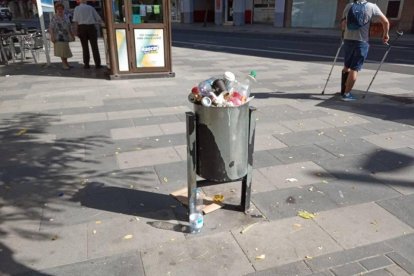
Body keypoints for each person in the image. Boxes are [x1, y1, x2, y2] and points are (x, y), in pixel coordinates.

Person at [340, 0, 389, 101]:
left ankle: (343, 90)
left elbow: (343, 22)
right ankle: (346, 94)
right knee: (355, 68)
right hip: (361, 41)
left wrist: (343, 34)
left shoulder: (349, 5)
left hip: (348, 39)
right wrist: (385, 34)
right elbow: (385, 21)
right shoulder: (372, 6)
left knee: (346, 66)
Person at [72, 0, 104, 69]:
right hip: (91, 27)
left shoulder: (77, 8)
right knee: (95, 46)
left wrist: (76, 31)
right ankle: (97, 64)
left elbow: (75, 21)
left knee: (84, 47)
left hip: (82, 28)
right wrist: (103, 24)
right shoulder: (90, 7)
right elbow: (98, 18)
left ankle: (86, 64)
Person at [48, 2, 74, 70]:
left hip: (65, 36)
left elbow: (69, 26)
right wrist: (52, 36)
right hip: (58, 37)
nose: (60, 10)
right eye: (58, 9)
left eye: (61, 9)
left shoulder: (66, 16)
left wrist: (72, 35)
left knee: (65, 50)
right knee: (61, 51)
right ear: (56, 9)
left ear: (63, 9)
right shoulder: (54, 17)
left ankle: (66, 63)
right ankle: (64, 64)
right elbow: (51, 28)